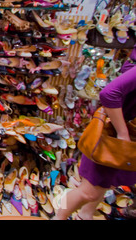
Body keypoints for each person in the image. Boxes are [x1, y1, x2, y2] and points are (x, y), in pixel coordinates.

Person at [54, 49, 136, 220]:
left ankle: (85, 215)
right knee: (88, 192)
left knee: (105, 185)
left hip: (125, 137)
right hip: (115, 137)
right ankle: (58, 216)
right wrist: (122, 133)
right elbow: (109, 94)